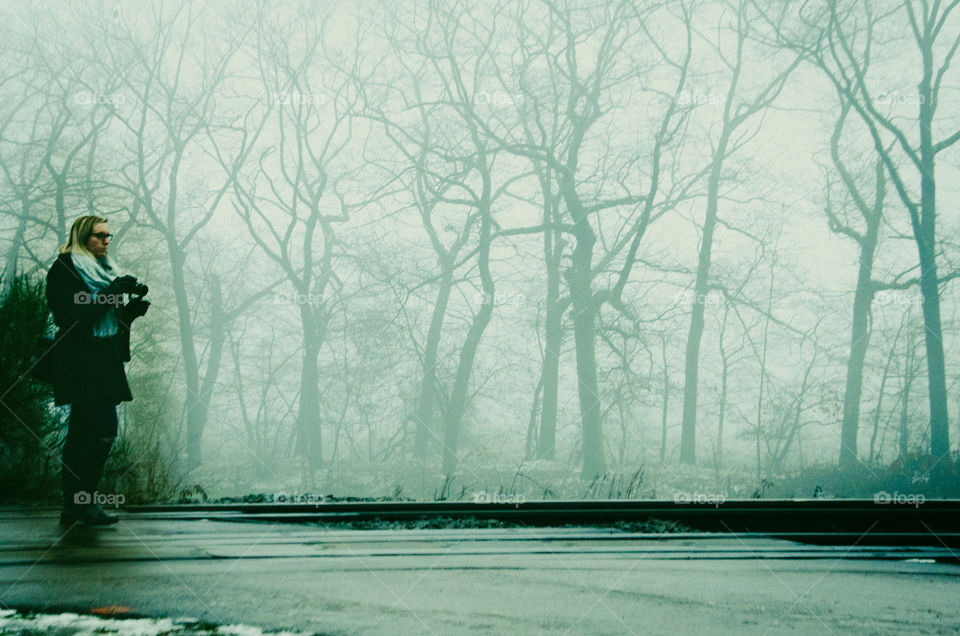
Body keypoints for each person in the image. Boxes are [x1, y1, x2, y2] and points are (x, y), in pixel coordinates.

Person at [46, 215, 150, 526]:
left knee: (82, 433)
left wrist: (128, 312)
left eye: (108, 236)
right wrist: (110, 294)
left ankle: (76, 507)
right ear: (81, 237)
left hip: (102, 357)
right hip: (81, 361)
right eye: (98, 236)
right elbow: (72, 319)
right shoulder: (65, 268)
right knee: (101, 431)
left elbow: (105, 320)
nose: (106, 241)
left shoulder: (104, 271)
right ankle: (83, 504)